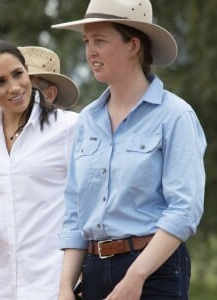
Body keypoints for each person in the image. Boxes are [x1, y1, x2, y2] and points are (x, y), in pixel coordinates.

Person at [51, 0, 207, 299]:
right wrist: (64, 287)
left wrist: (135, 277)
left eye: (100, 40)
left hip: (155, 272)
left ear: (133, 45)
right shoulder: (86, 121)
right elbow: (74, 210)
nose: (89, 51)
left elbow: (184, 209)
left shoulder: (175, 116)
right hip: (93, 269)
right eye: (86, 41)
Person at [0, 39, 78, 300]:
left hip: (56, 284)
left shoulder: (69, 128)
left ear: (27, 71)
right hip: (4, 287)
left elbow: (88, 209)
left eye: (18, 74)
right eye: (0, 82)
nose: (14, 87)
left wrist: (74, 284)